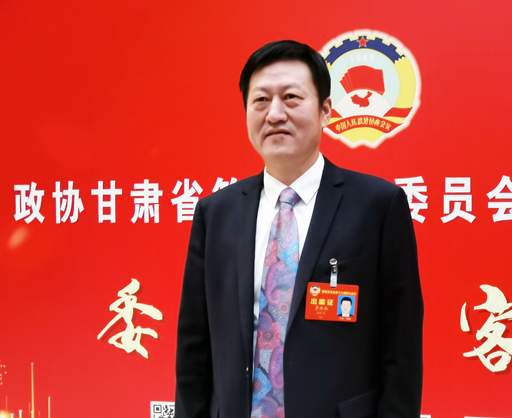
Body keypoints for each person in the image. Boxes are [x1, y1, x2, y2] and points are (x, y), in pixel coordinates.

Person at [174, 40, 423, 418]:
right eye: (261, 100)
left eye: (291, 98)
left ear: (325, 111)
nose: (275, 113)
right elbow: (195, 347)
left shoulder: (377, 206)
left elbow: (401, 349)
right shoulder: (216, 213)